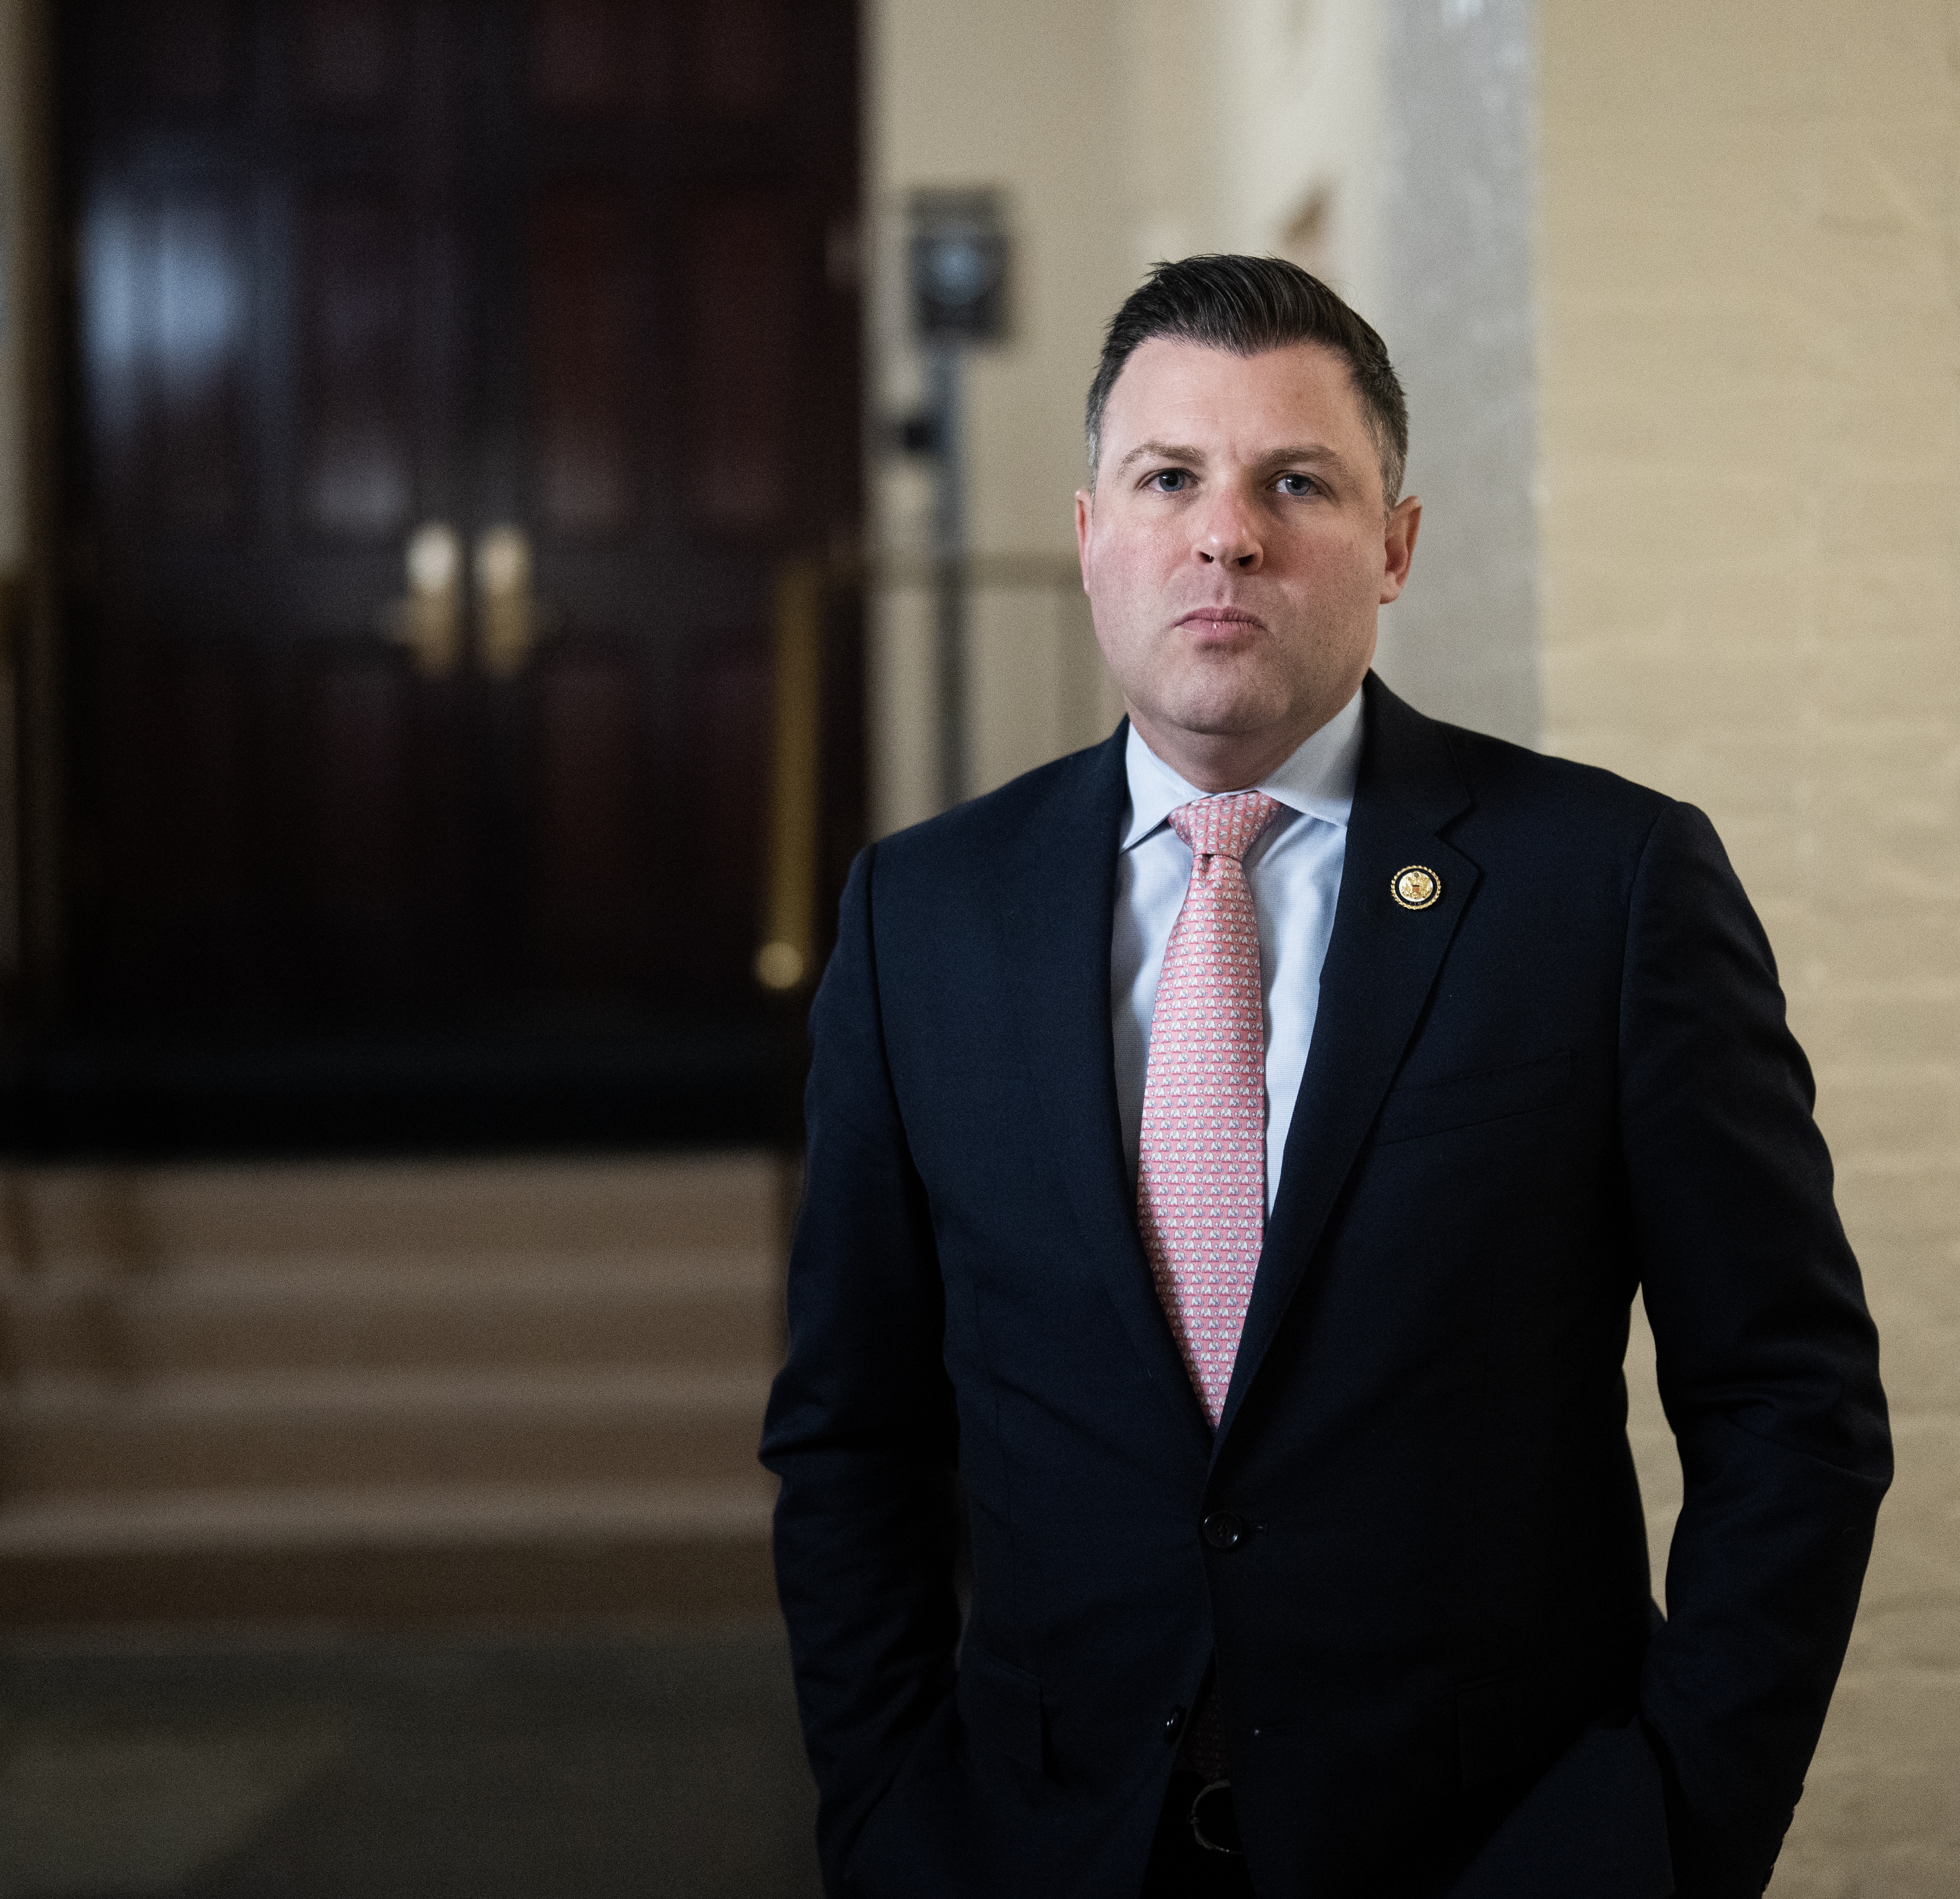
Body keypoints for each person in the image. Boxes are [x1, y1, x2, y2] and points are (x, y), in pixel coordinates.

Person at [762, 254, 1890, 1899]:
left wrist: (1658, 1834)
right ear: (1092, 539)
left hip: (1496, 1849)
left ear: (1395, 546)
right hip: (1043, 1848)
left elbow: (1788, 1405)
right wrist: (886, 1821)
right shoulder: (921, 914)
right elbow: (850, 1428)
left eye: (1295, 482)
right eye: (1169, 479)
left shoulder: (1606, 888)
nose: (1225, 533)